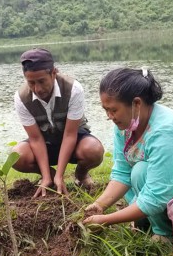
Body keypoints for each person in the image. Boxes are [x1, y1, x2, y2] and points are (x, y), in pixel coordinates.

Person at [83, 67, 173, 240]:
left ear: (136, 104)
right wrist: (99, 205)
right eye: (105, 110)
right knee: (134, 173)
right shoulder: (126, 125)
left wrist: (107, 220)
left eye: (113, 110)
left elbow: (157, 194)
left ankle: (165, 234)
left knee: (140, 172)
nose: (109, 116)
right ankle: (147, 219)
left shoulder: (165, 131)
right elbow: (122, 173)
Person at [12, 48, 104, 197]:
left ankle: (81, 175)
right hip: (45, 142)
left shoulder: (74, 89)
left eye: (42, 81)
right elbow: (35, 138)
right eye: (31, 83)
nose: (38, 89)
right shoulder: (21, 97)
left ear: (54, 73)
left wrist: (61, 176)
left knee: (93, 150)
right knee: (17, 155)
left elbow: (70, 134)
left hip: (73, 139)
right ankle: (48, 175)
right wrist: (48, 175)